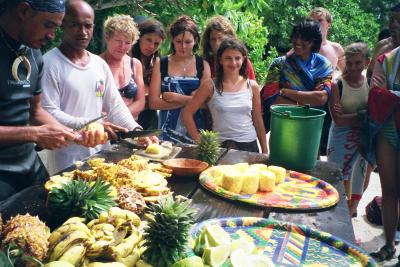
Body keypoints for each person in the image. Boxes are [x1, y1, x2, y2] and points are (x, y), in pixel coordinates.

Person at [40, 0, 156, 174]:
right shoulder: (49, 64)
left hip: (101, 157)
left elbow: (115, 106)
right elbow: (49, 113)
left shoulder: (98, 64)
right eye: (75, 25)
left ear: (94, 27)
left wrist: (136, 131)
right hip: (66, 160)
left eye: (88, 26)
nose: (83, 32)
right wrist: (92, 125)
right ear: (62, 24)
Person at [0, 0, 77, 202]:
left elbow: (35, 111)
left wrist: (73, 135)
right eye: (48, 25)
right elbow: (34, 129)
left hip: (29, 167)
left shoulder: (33, 53)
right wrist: (35, 133)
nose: (52, 36)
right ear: (24, 10)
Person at [182, 37, 267, 153]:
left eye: (237, 58)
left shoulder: (252, 86)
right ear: (220, 60)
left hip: (249, 146)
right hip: (220, 147)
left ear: (244, 59)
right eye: (228, 58)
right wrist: (201, 143)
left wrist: (265, 151)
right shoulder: (210, 85)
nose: (233, 63)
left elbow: (257, 119)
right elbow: (186, 113)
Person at [261, 19, 333, 132]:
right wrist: (307, 103)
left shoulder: (323, 65)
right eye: (295, 37)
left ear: (313, 41)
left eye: (304, 38)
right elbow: (270, 98)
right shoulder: (279, 64)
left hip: (310, 125)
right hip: (283, 122)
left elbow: (321, 98)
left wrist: (287, 92)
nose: (298, 42)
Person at [149, 15, 211, 142]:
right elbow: (153, 103)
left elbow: (207, 104)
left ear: (195, 40)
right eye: (178, 41)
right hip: (166, 132)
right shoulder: (161, 63)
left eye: (188, 42)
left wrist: (176, 98)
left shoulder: (203, 65)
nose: (183, 46)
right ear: (172, 40)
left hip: (196, 131)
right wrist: (192, 100)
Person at [327, 42, 370, 217]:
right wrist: (363, 114)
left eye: (358, 63)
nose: (353, 68)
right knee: (336, 178)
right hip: (340, 140)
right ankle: (336, 218)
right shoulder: (338, 84)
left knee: (357, 178)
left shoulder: (369, 82)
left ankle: (350, 216)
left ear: (367, 62)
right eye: (350, 63)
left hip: (360, 139)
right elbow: (338, 120)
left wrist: (351, 116)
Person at [367, 45, 400, 264]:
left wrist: (390, 93)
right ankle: (389, 244)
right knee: (388, 190)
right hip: (388, 128)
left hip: (390, 120)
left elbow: (383, 93)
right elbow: (375, 94)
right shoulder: (387, 58)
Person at [100, 14, 145, 120]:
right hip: (104, 126)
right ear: (107, 37)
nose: (122, 47)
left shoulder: (135, 64)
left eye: (128, 42)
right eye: (118, 41)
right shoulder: (96, 64)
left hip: (129, 126)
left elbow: (140, 102)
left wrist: (119, 116)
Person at [131, 18, 166, 130]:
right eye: (148, 40)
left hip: (150, 117)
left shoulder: (158, 61)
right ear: (139, 37)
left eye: (156, 43)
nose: (151, 46)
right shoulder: (127, 57)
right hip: (128, 115)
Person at [201, 15, 256, 80]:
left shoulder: (242, 63)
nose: (217, 43)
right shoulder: (205, 64)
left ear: (230, 39)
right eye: (213, 39)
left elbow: (251, 87)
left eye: (221, 38)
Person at [367, 4, 400, 82]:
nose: (394, 24)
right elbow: (370, 73)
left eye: (399, 21)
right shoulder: (382, 45)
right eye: (391, 20)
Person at [309, 7, 345, 74]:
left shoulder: (336, 48)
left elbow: (348, 75)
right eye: (313, 21)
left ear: (328, 25)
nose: (316, 23)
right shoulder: (302, 47)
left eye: (320, 20)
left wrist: (336, 83)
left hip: (327, 84)